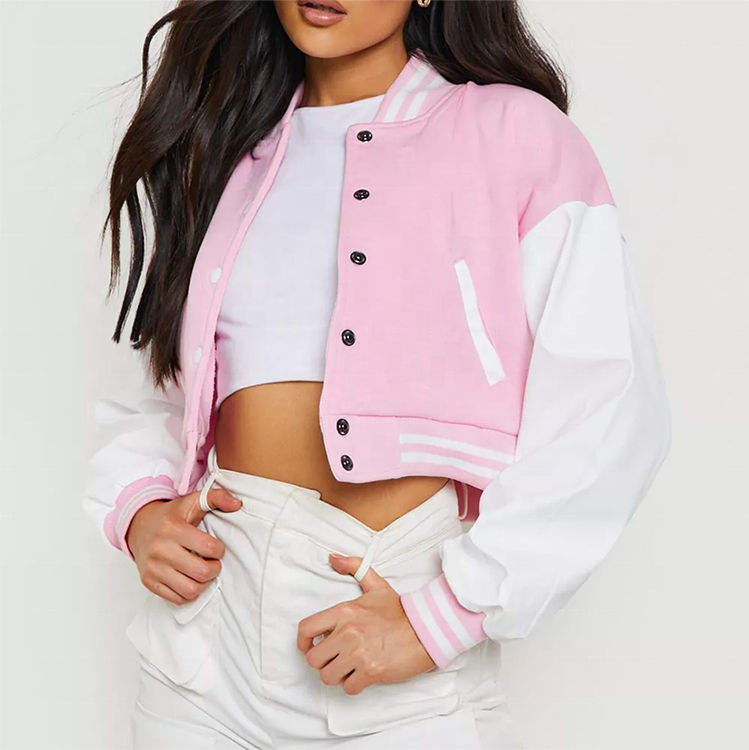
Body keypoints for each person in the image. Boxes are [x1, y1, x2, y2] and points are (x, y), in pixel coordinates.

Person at [84, 1, 671, 747]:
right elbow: (173, 385)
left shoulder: (515, 134)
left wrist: (443, 619)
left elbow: (608, 401)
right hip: (204, 645)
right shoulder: (227, 147)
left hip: (391, 625)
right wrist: (141, 513)